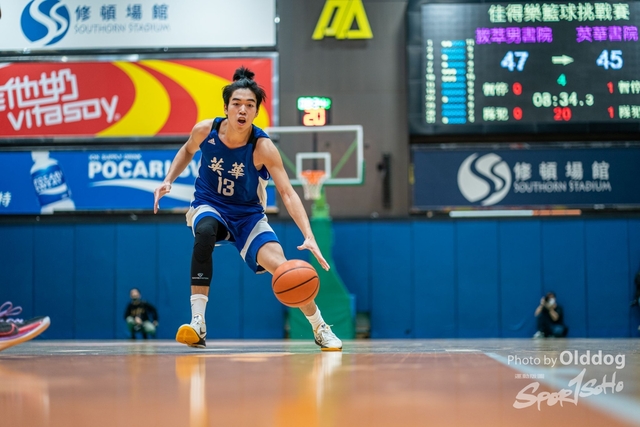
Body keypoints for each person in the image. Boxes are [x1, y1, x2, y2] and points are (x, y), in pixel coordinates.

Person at [153, 66, 342, 351]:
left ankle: (320, 327)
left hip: (248, 217)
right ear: (226, 108)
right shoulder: (205, 130)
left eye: (250, 105)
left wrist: (309, 234)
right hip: (210, 205)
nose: (242, 110)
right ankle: (198, 322)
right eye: (236, 104)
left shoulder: (263, 147)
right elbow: (187, 150)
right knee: (204, 231)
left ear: (256, 112)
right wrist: (168, 179)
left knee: (287, 271)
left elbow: (287, 193)